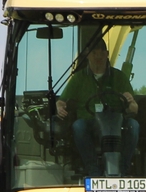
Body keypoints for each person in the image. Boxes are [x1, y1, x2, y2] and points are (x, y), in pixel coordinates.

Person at [56, 39, 139, 174]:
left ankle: (123, 169)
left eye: (101, 54)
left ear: (107, 54)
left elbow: (134, 109)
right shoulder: (78, 78)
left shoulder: (119, 77)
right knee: (78, 126)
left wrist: (130, 102)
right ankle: (93, 170)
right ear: (88, 55)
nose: (98, 57)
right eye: (95, 53)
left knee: (134, 126)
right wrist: (59, 107)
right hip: (90, 123)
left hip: (116, 123)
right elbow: (61, 101)